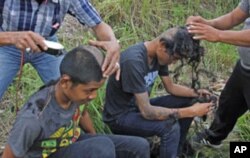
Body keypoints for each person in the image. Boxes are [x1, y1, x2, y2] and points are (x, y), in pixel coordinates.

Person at [2, 45, 150, 158]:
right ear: (65, 82)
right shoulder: (34, 118)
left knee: (140, 146)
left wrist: (93, 135)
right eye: (90, 90)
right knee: (102, 149)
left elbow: (82, 112)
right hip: (46, 154)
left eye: (96, 90)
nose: (93, 96)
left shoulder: (75, 94)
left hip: (70, 141)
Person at [103, 26, 213, 158]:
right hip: (120, 117)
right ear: (162, 45)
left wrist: (197, 93)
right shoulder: (134, 61)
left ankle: (178, 152)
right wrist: (191, 112)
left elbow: (170, 87)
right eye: (174, 58)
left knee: (189, 101)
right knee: (170, 127)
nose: (173, 63)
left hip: (138, 107)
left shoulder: (159, 56)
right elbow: (148, 112)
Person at [0, 0, 120, 101]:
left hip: (46, 46)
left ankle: (74, 125)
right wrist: (11, 37)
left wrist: (112, 42)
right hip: (7, 45)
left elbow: (98, 25)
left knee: (71, 89)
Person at [186, 0, 250, 148]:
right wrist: (208, 23)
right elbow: (234, 17)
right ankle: (212, 139)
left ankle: (238, 151)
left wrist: (219, 35)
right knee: (228, 104)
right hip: (244, 67)